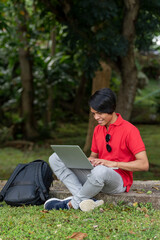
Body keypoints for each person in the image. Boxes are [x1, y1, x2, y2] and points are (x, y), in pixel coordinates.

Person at [44, 88, 149, 212]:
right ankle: (86, 201)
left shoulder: (130, 130)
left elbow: (144, 164)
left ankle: (72, 203)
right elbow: (93, 156)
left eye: (99, 113)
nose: (96, 117)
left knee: (101, 171)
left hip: (118, 181)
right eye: (94, 113)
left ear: (111, 108)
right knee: (55, 158)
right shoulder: (98, 129)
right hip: (96, 176)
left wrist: (113, 163)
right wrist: (88, 160)